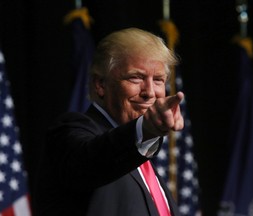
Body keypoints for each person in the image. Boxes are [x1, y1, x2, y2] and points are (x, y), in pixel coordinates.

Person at [33, 27, 184, 216]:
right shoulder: (69, 133)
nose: (150, 92)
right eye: (136, 77)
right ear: (101, 85)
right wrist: (145, 130)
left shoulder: (141, 157)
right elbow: (90, 162)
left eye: (158, 80)